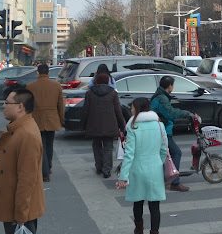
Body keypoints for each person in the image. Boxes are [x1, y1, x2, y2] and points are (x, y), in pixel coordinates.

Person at [0, 88, 45, 234]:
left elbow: (27, 179)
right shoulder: (19, 128)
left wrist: (21, 214)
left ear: (20, 107)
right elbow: (8, 153)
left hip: (20, 210)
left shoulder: (27, 134)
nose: (3, 106)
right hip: (13, 204)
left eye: (7, 102)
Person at [116, 97, 167, 234]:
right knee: (154, 206)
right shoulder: (159, 125)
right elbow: (164, 150)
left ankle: (138, 229)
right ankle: (154, 231)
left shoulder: (133, 127)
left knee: (137, 202)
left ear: (138, 109)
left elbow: (129, 154)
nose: (131, 110)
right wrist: (158, 161)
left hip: (137, 169)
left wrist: (123, 176)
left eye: (132, 107)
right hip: (155, 168)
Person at [150, 75, 201, 192]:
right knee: (176, 153)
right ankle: (175, 182)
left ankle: (164, 177)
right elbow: (170, 113)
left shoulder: (161, 95)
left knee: (165, 154)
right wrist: (186, 114)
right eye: (172, 85)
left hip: (160, 129)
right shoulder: (162, 98)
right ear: (169, 86)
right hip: (162, 131)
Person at [80, 71, 126, 178]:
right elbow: (118, 111)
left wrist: (82, 124)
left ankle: (99, 167)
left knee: (96, 146)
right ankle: (107, 170)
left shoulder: (90, 93)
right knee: (108, 147)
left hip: (94, 124)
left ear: (96, 81)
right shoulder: (113, 93)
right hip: (110, 125)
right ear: (107, 81)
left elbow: (85, 110)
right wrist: (122, 125)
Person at [27, 63, 65, 182]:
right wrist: (61, 119)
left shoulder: (30, 87)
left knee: (41, 146)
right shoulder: (56, 86)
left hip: (36, 119)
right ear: (48, 73)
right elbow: (61, 105)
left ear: (37, 73)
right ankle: (48, 167)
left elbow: (27, 106)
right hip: (52, 119)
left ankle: (44, 172)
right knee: (49, 144)